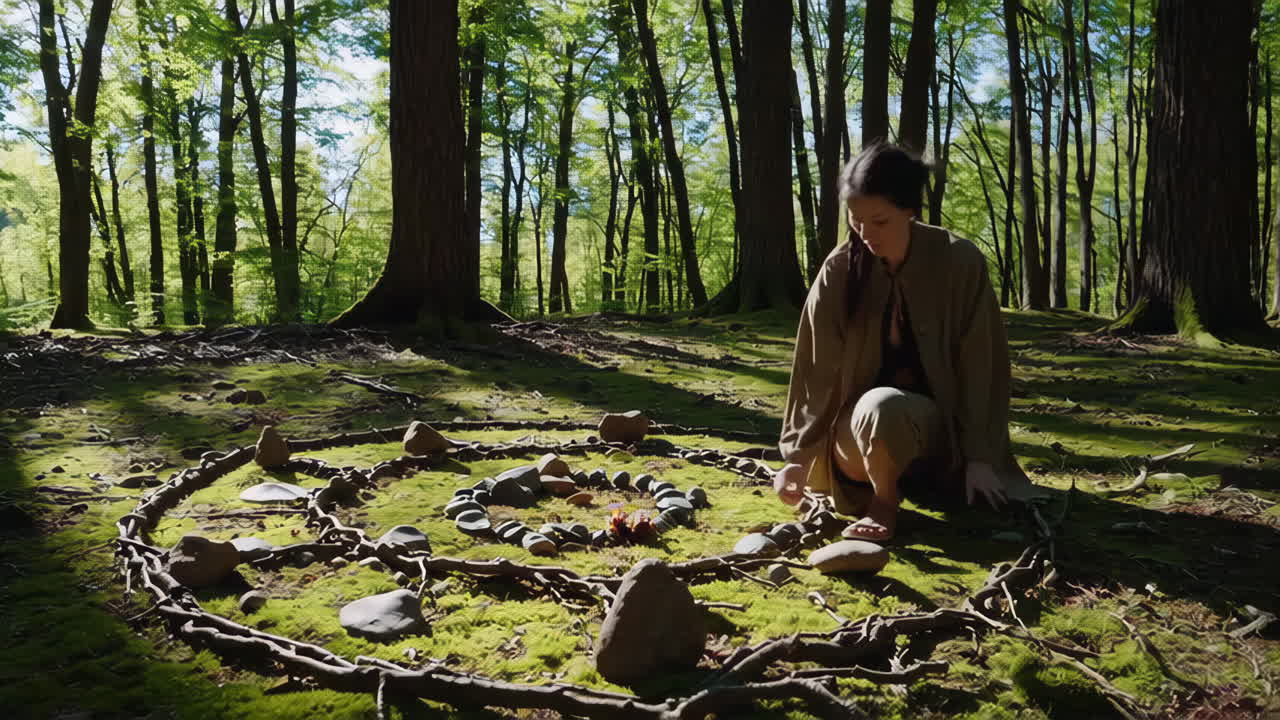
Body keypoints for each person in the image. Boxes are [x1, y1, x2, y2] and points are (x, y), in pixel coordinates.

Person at [774, 142, 1033, 542]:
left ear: (910, 210)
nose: (865, 233)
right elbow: (815, 372)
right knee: (877, 408)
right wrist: (797, 457)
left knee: (885, 407)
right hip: (857, 441)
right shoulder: (838, 270)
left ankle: (889, 500)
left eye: (879, 221)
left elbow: (982, 365)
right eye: (856, 220)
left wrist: (980, 457)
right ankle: (883, 499)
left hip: (939, 442)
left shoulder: (959, 262)